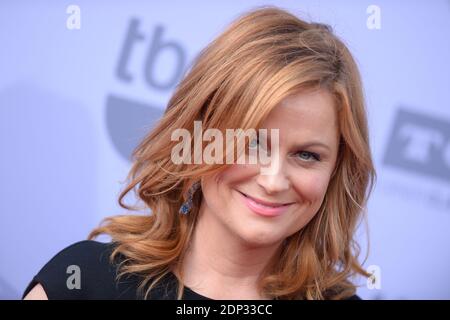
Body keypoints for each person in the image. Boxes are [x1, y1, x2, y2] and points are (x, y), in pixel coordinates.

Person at [23, 5, 376, 300]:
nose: (272, 180)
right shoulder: (81, 282)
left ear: (336, 170)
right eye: (253, 142)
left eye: (307, 155)